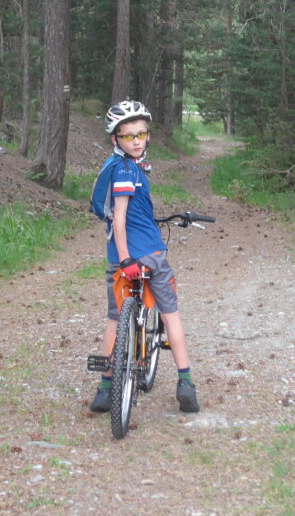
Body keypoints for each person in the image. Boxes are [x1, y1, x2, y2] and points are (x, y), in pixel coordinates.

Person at [89, 100, 200, 414]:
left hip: (117, 257)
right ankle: (186, 383)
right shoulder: (126, 170)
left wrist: (120, 259)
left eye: (141, 134)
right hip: (145, 256)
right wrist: (128, 260)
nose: (136, 140)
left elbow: (115, 217)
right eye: (129, 136)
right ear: (116, 139)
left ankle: (105, 388)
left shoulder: (115, 166)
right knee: (170, 312)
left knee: (115, 318)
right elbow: (121, 217)